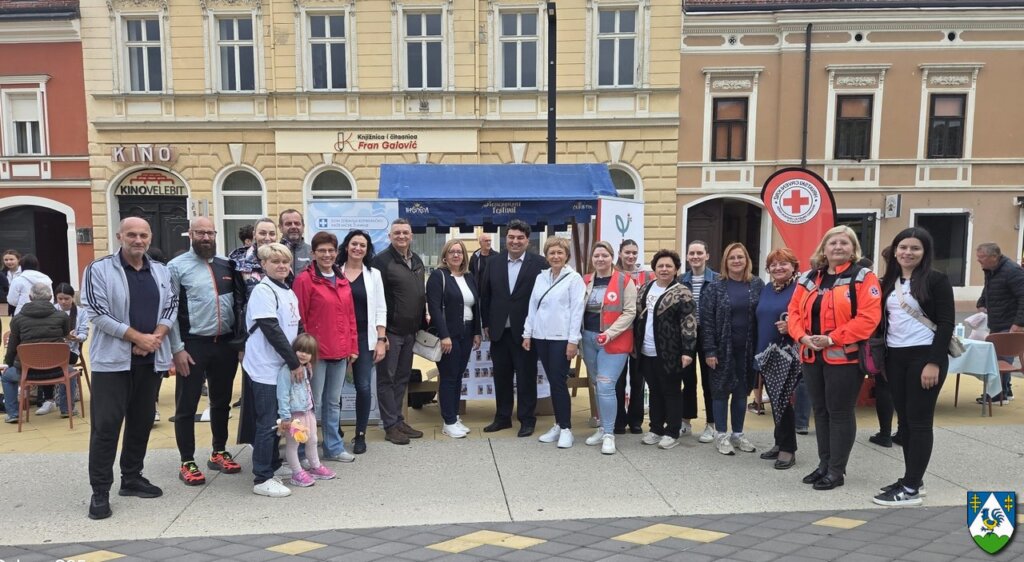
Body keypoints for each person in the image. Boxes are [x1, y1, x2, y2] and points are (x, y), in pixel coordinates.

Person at [81, 217, 178, 520]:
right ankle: (100, 491)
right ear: (119, 236)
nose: (138, 240)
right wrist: (136, 337)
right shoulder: (99, 269)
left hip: (149, 360)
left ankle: (132, 478)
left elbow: (171, 307)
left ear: (150, 238)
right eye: (132, 235)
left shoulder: (161, 271)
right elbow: (96, 311)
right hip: (112, 364)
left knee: (141, 422)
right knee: (106, 427)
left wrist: (155, 339)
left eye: (143, 235)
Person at [788, 225, 881, 491]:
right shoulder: (808, 277)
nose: (838, 247)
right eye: (833, 243)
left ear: (853, 249)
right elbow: (793, 312)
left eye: (844, 243)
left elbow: (868, 319)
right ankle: (823, 464)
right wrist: (802, 337)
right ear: (824, 248)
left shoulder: (863, 277)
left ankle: (837, 470)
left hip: (845, 358)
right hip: (811, 354)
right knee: (820, 411)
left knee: (839, 412)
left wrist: (831, 339)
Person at [873, 228, 954, 506]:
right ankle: (912, 478)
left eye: (915, 248)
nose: (908, 252)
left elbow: (946, 323)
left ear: (925, 252)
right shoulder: (889, 282)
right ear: (895, 251)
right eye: (903, 247)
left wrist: (933, 361)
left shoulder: (936, 280)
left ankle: (910, 490)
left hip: (925, 357)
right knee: (905, 422)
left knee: (919, 422)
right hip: (896, 357)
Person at [167, 217, 246, 486]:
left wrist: (239, 343)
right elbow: (169, 312)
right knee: (186, 405)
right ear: (190, 234)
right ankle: (187, 460)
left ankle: (219, 451)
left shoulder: (227, 265)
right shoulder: (176, 267)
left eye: (210, 232)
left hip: (224, 344)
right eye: (200, 232)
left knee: (221, 402)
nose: (205, 237)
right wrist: (176, 348)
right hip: (192, 345)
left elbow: (238, 305)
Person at [292, 231, 359, 462]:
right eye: (322, 250)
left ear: (336, 252)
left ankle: (333, 447)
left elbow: (350, 317)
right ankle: (301, 452)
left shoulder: (342, 280)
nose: (327, 254)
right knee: (309, 404)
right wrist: (304, 353)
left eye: (331, 250)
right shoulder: (304, 280)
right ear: (313, 253)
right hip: (315, 355)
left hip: (340, 353)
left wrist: (353, 347)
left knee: (333, 403)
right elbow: (300, 319)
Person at [479, 219, 548, 437]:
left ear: (527, 240)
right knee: (501, 376)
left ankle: (527, 419)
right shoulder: (494, 263)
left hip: (526, 333)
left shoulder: (540, 264)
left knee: (527, 377)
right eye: (511, 237)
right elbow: (486, 296)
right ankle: (502, 418)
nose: (515, 241)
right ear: (505, 239)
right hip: (499, 331)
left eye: (520, 238)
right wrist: (487, 324)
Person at [243, 243, 301, 498]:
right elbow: (272, 330)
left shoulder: (287, 290)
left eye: (285, 262)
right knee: (268, 422)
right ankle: (262, 476)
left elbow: (294, 329)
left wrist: (299, 356)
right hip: (265, 368)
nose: (281, 266)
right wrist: (294, 362)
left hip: (280, 367)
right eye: (275, 262)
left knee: (279, 420)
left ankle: (274, 465)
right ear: (264, 265)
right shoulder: (263, 291)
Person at [701, 243, 764, 456]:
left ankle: (738, 434)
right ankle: (721, 435)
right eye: (731, 258)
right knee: (720, 392)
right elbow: (707, 320)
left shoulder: (756, 284)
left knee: (741, 392)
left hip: (747, 350)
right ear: (725, 262)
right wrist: (709, 350)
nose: (736, 261)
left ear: (747, 260)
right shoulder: (715, 286)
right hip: (721, 350)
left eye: (740, 257)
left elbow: (762, 315)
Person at [523, 237, 585, 448]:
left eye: (560, 252)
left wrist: (573, 340)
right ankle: (558, 424)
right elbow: (533, 306)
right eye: (552, 253)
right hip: (541, 336)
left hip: (561, 338)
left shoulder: (574, 278)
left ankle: (566, 428)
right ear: (546, 255)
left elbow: (577, 311)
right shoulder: (541, 277)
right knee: (552, 381)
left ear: (566, 255)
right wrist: (527, 333)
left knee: (558, 383)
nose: (555, 256)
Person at [635, 249, 698, 450]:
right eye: (660, 265)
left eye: (668, 266)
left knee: (671, 391)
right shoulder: (645, 288)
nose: (664, 269)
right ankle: (655, 428)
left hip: (670, 351)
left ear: (676, 269)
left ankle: (672, 431)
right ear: (654, 268)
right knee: (653, 390)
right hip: (646, 350)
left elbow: (689, 323)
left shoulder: (682, 292)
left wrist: (687, 351)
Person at [371, 218, 427, 445]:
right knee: (387, 379)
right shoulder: (380, 262)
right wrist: (381, 335)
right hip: (391, 332)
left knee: (402, 378)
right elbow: (376, 300)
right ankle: (390, 425)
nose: (402, 236)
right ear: (390, 236)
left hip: (410, 331)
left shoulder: (417, 260)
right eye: (397, 233)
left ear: (411, 236)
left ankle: (398, 419)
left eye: (405, 232)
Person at [581, 241, 637, 454]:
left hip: (615, 341)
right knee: (596, 384)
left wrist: (609, 334)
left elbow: (630, 312)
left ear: (612, 257)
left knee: (605, 385)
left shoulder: (625, 281)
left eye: (604, 255)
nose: (600, 259)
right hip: (589, 339)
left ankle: (609, 434)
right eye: (596, 256)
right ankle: (602, 427)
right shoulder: (586, 280)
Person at [337, 230, 387, 454]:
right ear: (346, 246)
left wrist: (380, 339)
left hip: (364, 337)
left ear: (367, 250)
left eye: (363, 245)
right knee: (333, 389)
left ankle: (360, 434)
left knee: (364, 387)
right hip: (338, 336)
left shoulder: (373, 274)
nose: (358, 248)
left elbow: (380, 308)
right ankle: (334, 432)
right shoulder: (333, 272)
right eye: (354, 244)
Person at [426, 239, 482, 439]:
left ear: (464, 257)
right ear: (445, 256)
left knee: (458, 376)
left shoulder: (468, 277)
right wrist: (444, 335)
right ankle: (448, 421)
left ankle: (455, 416)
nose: (456, 255)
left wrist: (476, 332)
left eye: (459, 252)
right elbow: (434, 308)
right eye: (452, 252)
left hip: (466, 334)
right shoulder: (437, 276)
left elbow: (476, 307)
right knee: (448, 378)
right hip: (448, 335)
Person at [235, 217, 280, 443]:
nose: (267, 238)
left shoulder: (280, 260)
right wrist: (240, 344)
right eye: (263, 233)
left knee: (277, 396)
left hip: (278, 338)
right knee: (255, 396)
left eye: (272, 233)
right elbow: (237, 303)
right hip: (252, 338)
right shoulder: (239, 261)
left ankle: (274, 445)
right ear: (254, 234)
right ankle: (257, 444)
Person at [754, 249, 800, 469]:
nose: (778, 268)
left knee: (783, 400)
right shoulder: (767, 289)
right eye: (773, 265)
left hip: (788, 352)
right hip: (766, 351)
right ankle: (779, 441)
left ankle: (788, 449)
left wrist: (792, 327)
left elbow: (809, 317)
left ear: (793, 266)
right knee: (774, 398)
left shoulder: (800, 289)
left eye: (783, 264)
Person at [2, 283, 72, 423]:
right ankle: (66, 409)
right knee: (71, 373)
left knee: (7, 377)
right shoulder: (62, 316)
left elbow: (12, 346)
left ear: (30, 297)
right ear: (51, 297)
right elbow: (65, 335)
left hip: (27, 372)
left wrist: (8, 363)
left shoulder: (18, 319)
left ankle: (13, 414)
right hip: (57, 370)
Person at [278, 333, 337, 487]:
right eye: (300, 350)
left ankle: (315, 466)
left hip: (308, 412)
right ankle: (297, 473)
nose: (304, 354)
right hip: (294, 415)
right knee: (293, 445)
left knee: (312, 440)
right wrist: (285, 417)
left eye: (308, 352)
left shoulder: (306, 368)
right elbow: (282, 395)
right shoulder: (286, 371)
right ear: (293, 350)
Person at [679, 240, 721, 444]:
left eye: (699, 253)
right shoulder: (680, 280)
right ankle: (685, 421)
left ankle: (711, 424)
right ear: (687, 257)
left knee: (709, 381)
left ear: (707, 256)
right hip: (686, 336)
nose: (695, 256)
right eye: (691, 253)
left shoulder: (717, 280)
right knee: (687, 380)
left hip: (708, 335)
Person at [975, 242, 1024, 403]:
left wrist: (1018, 323)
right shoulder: (991, 270)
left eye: (982, 257)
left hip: (1009, 323)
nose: (978, 260)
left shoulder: (1012, 271)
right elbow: (988, 288)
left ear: (994, 257)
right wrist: (981, 302)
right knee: (999, 357)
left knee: (1002, 358)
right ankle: (1006, 390)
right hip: (997, 322)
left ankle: (998, 395)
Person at [613, 239, 651, 434]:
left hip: (640, 334)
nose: (631, 256)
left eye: (634, 253)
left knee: (638, 378)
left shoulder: (647, 275)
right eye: (627, 252)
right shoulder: (613, 275)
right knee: (618, 379)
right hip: (618, 333)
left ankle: (635, 420)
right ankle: (619, 420)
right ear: (620, 253)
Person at [54, 283, 89, 418]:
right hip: (53, 348)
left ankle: (65, 405)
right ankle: (46, 399)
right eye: (60, 298)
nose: (63, 302)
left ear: (72, 298)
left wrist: (75, 338)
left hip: (72, 350)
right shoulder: (52, 310)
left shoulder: (81, 312)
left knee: (66, 366)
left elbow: (84, 334)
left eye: (66, 299)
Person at [279, 209, 312, 284]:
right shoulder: (274, 252)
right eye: (288, 224)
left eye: (297, 223)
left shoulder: (312, 252)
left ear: (303, 227)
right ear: (280, 227)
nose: (293, 226)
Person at [2, 249, 22, 316]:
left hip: (22, 304)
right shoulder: (3, 274)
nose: (8, 262)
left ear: (18, 259)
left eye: (11, 259)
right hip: (7, 305)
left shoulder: (24, 272)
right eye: (6, 260)